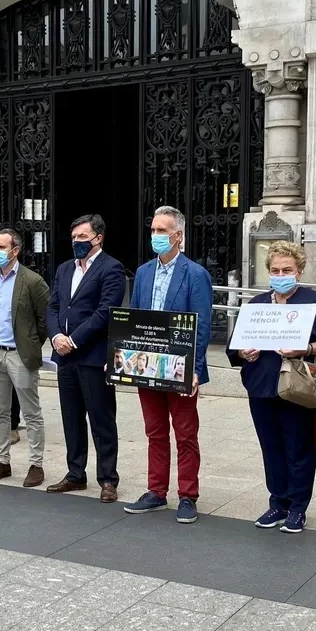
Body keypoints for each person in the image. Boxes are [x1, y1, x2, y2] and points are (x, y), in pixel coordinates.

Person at [227, 240, 316, 533]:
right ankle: (277, 502)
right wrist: (243, 352)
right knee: (271, 447)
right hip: (262, 386)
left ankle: (298, 507)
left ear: (299, 271)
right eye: (276, 270)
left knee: (299, 448)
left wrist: (304, 348)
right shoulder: (256, 305)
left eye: (287, 269)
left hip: (298, 387)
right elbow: (234, 346)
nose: (280, 275)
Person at [123, 206, 213, 524]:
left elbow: (201, 327)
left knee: (186, 434)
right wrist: (125, 361)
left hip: (180, 368)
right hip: (147, 366)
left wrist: (196, 370)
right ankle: (156, 491)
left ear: (178, 235)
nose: (156, 236)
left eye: (163, 231)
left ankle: (188, 495)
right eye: (153, 230)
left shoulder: (196, 275)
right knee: (155, 432)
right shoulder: (144, 272)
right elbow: (133, 320)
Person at [45, 214, 126, 502]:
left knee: (102, 419)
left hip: (92, 356)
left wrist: (74, 339)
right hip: (65, 358)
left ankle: (107, 478)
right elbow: (53, 306)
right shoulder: (65, 269)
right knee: (71, 418)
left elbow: (105, 312)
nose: (77, 242)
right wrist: (56, 337)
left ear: (98, 238)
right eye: (74, 237)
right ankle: (75, 473)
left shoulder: (111, 268)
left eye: (82, 237)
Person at [0, 229, 50, 488]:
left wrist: (31, 345)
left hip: (19, 354)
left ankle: (36, 464)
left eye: (0, 247)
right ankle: (2, 461)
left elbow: (44, 321)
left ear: (14, 250)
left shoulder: (32, 281)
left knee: (31, 412)